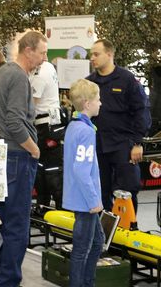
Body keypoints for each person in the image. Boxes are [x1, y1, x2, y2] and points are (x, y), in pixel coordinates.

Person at [0, 30, 46, 287]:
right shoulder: (19, 77)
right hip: (16, 158)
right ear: (28, 50)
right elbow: (15, 121)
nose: (44, 58)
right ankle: (8, 280)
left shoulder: (3, 72)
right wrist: (34, 149)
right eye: (42, 53)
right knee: (17, 225)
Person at [86, 39, 151, 213]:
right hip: (98, 146)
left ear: (109, 54)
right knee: (100, 191)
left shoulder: (127, 79)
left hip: (123, 145)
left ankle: (126, 234)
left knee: (127, 191)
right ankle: (103, 236)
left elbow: (141, 111)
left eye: (96, 54)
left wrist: (138, 143)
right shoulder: (89, 83)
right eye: (91, 54)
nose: (92, 58)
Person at [63, 79, 105, 287]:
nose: (101, 103)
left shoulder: (74, 125)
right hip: (85, 201)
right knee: (81, 249)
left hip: (81, 197)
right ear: (87, 103)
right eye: (98, 99)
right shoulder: (86, 131)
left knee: (97, 242)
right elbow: (81, 170)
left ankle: (88, 282)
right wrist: (93, 201)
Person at [31, 61, 65, 209]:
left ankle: (51, 210)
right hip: (51, 124)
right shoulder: (49, 67)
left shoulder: (40, 73)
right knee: (45, 170)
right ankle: (46, 208)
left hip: (46, 126)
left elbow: (31, 105)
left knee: (50, 172)